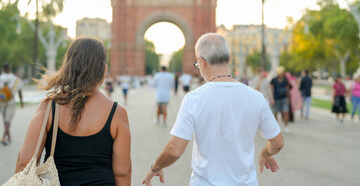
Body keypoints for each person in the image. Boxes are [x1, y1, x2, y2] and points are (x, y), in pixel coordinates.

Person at [142, 33, 284, 186]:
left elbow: (174, 150)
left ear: (202, 62)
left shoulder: (194, 99)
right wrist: (266, 152)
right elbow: (277, 142)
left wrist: (156, 167)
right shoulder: (256, 98)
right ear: (228, 58)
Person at [15, 38, 131, 185]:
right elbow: (122, 172)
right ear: (103, 69)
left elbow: (25, 162)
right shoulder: (117, 112)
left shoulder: (49, 108)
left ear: (68, 66)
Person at [0, 63, 24, 145]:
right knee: (8, 119)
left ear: (3, 69)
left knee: (5, 118)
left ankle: (9, 136)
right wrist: (21, 102)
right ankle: (3, 137)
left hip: (1, 101)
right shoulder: (15, 79)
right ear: (10, 68)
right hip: (11, 100)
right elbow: (20, 91)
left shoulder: (0, 78)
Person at [270, 66, 291, 133]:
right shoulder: (273, 80)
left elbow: (287, 90)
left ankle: (286, 126)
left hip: (283, 98)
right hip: (276, 99)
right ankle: (276, 128)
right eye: (281, 72)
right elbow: (271, 90)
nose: (282, 74)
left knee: (286, 112)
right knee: (275, 114)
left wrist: (288, 99)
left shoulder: (285, 80)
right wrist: (272, 98)